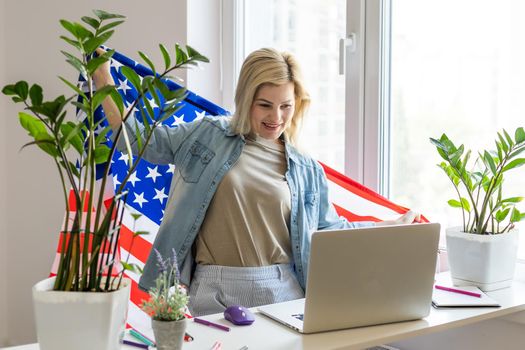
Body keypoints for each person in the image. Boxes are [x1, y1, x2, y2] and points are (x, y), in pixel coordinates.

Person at [94, 47, 419, 316]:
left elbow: (331, 230)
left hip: (284, 290)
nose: (275, 117)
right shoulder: (205, 135)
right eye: (264, 104)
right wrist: (103, 78)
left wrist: (390, 226)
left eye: (286, 107)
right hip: (214, 286)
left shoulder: (306, 168)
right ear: (246, 98)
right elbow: (136, 142)